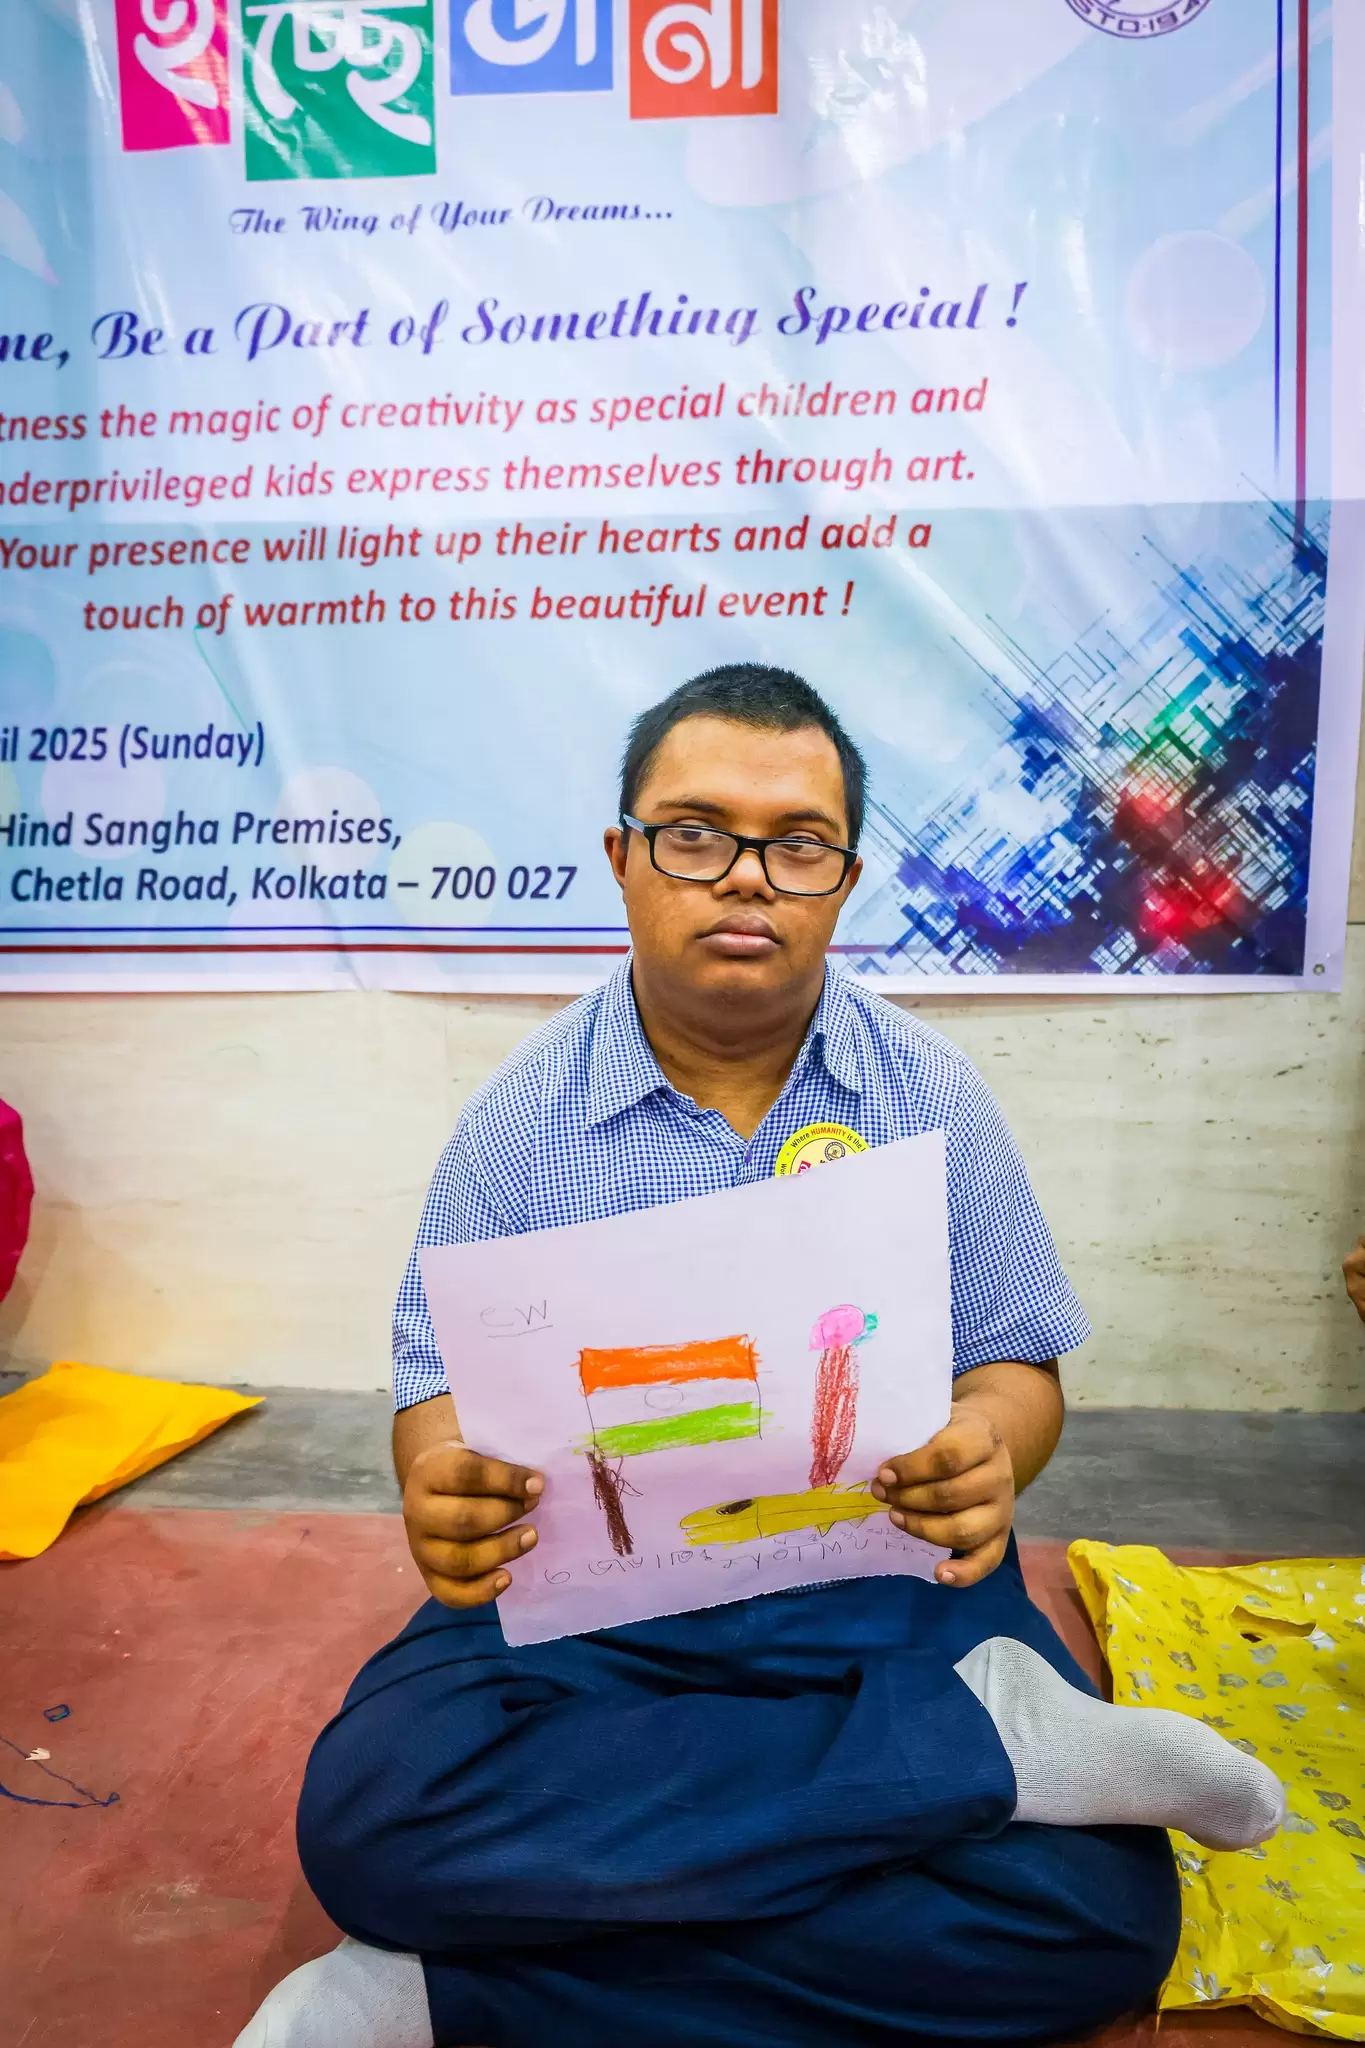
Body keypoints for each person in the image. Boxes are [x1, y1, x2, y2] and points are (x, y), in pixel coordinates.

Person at [237, 666, 1284, 2048]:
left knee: (1098, 1922)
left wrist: (988, 1445)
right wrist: (444, 1482)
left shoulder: (930, 1095)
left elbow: (1018, 1369)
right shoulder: (516, 1122)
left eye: (798, 845)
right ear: (622, 858)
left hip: (886, 1604)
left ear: (844, 883)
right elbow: (436, 1400)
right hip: (596, 1622)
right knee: (374, 1815)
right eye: (695, 834)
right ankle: (971, 1755)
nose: (745, 876)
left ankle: (449, 1994)